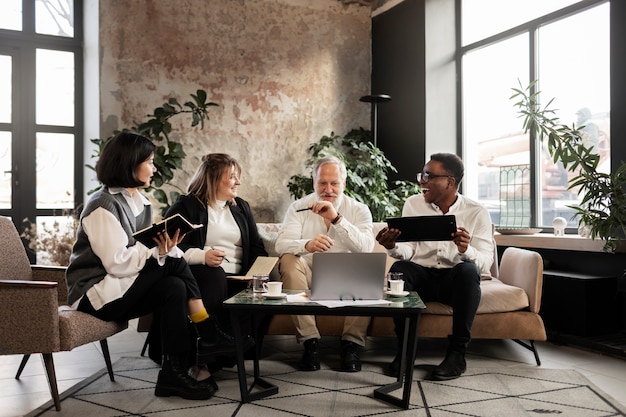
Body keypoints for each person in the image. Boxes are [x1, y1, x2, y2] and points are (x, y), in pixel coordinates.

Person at [66, 132, 235, 400]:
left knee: (174, 286)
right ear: (130, 164)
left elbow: (147, 251)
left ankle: (173, 372)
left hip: (122, 287)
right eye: (150, 161)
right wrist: (160, 250)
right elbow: (117, 263)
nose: (154, 168)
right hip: (97, 294)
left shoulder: (139, 201)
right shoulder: (102, 206)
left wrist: (168, 248)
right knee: (171, 267)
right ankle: (207, 330)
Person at [376, 153, 493, 381]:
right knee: (400, 268)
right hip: (422, 277)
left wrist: (465, 249)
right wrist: (393, 246)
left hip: (454, 282)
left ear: (450, 181)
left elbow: (485, 263)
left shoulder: (476, 212)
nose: (422, 181)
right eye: (422, 175)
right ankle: (405, 351)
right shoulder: (413, 204)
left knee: (468, 270)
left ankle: (457, 354)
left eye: (428, 176)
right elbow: (409, 250)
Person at [164, 153, 267, 366]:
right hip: (203, 275)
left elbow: (256, 247)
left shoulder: (241, 207)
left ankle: (229, 353)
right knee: (214, 276)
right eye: (232, 177)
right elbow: (168, 246)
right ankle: (206, 355)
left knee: (262, 292)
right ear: (213, 179)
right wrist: (203, 255)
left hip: (240, 277)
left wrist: (259, 273)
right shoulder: (187, 206)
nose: (238, 182)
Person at [275, 155, 375, 372]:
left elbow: (366, 247)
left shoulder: (359, 210)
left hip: (346, 277)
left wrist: (338, 219)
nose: (328, 189)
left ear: (344, 184)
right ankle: (310, 342)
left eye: (334, 183)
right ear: (314, 183)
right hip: (308, 274)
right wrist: (307, 244)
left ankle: (351, 344)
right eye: (322, 183)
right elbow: (281, 245)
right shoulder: (298, 207)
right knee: (289, 260)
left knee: (367, 264)